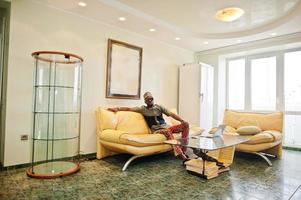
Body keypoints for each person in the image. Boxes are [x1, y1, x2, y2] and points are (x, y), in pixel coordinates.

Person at [108, 91, 189, 161]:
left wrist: (182, 120)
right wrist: (117, 108)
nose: (150, 100)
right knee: (167, 131)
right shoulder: (142, 109)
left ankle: (184, 151)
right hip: (157, 131)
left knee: (185, 125)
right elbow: (129, 109)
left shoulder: (159, 107)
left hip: (167, 127)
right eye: (147, 99)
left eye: (151, 98)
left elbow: (171, 114)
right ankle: (180, 155)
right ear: (145, 101)